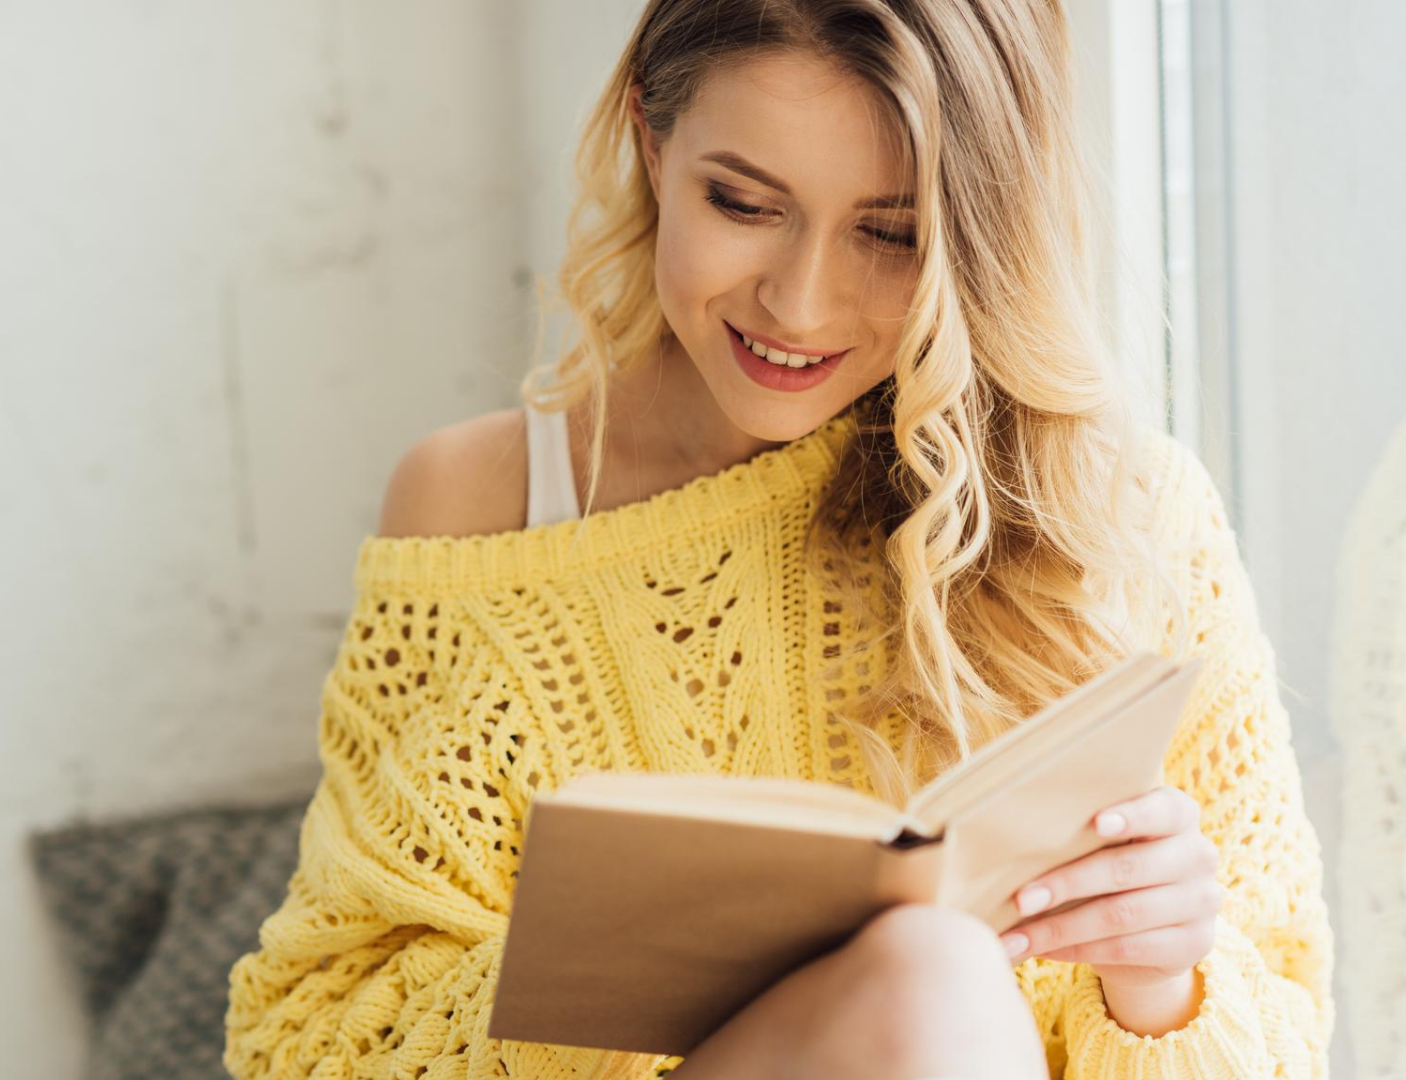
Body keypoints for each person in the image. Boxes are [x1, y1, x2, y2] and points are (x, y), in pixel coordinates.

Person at [222, 1, 1335, 1077]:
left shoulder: (1122, 523)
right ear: (654, 151)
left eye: (890, 234)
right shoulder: (486, 504)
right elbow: (313, 1039)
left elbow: (1290, 1038)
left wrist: (1160, 988)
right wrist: (648, 981)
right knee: (922, 978)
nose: (800, 306)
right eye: (744, 204)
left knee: (926, 981)